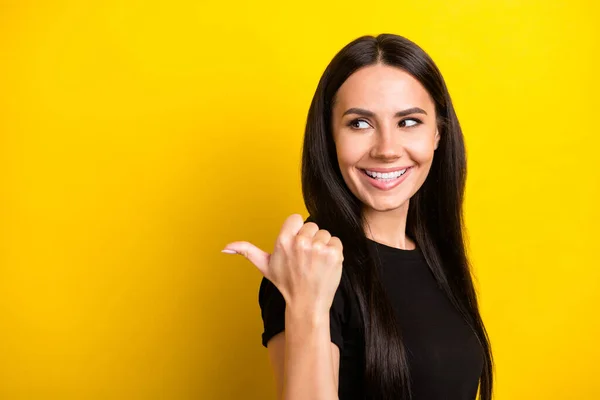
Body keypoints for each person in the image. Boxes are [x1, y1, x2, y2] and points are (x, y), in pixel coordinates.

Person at [222, 33, 494, 400]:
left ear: (438, 134)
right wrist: (308, 305)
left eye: (409, 121)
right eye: (360, 124)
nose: (386, 150)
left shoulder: (435, 254)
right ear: (330, 136)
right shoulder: (311, 263)